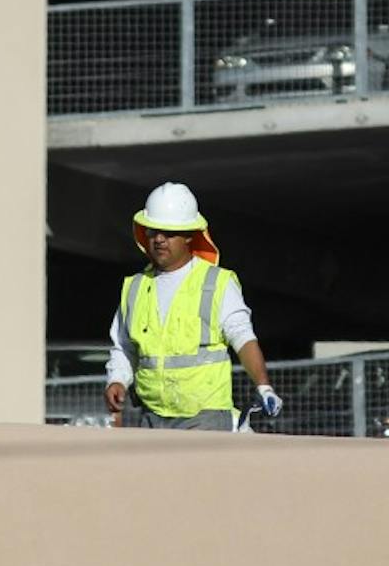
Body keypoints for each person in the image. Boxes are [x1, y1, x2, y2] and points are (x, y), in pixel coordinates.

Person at [104, 182, 284, 430]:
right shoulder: (134, 288)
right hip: (150, 417)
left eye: (168, 233)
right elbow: (124, 347)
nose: (158, 239)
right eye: (153, 231)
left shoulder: (217, 283)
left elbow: (243, 337)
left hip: (204, 416)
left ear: (189, 235)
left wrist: (264, 387)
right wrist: (117, 380)